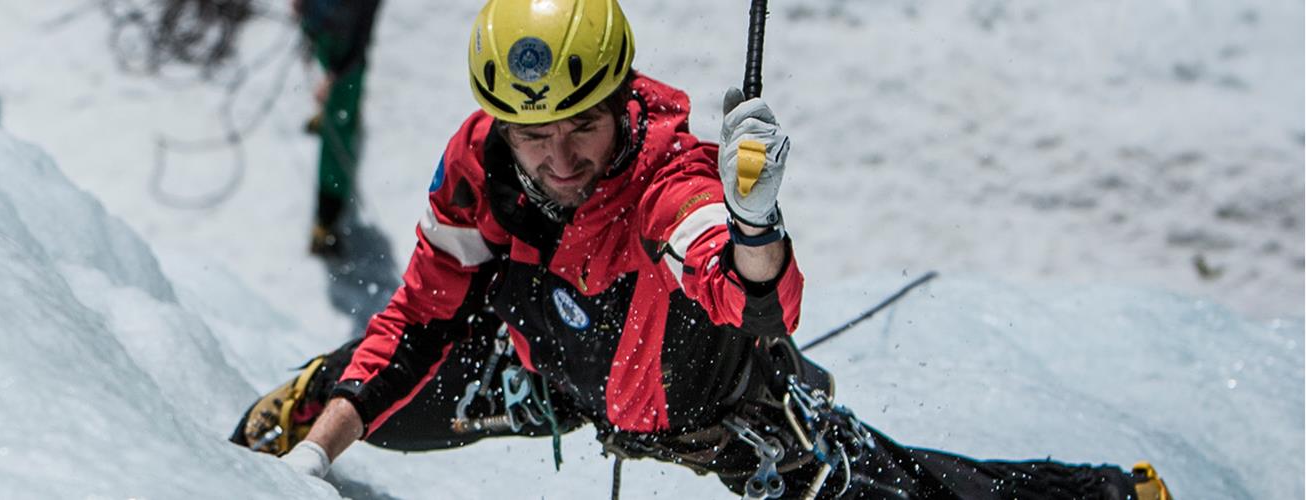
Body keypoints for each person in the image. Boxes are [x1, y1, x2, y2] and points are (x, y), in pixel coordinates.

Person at [229, 0, 1177, 498]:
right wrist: (323, 445)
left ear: (619, 100)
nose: (559, 161)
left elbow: (751, 297)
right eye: (533, 137)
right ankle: (313, 395)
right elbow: (424, 314)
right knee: (364, 402)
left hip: (721, 411)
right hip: (547, 378)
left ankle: (1107, 495)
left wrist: (757, 228)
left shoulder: (667, 178)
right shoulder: (481, 166)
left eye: (580, 130)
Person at [295, 0, 383, 256]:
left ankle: (326, 224)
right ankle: (325, 225)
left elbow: (362, 30)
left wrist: (334, 76)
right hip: (332, 43)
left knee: (340, 130)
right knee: (338, 131)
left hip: (342, 53)